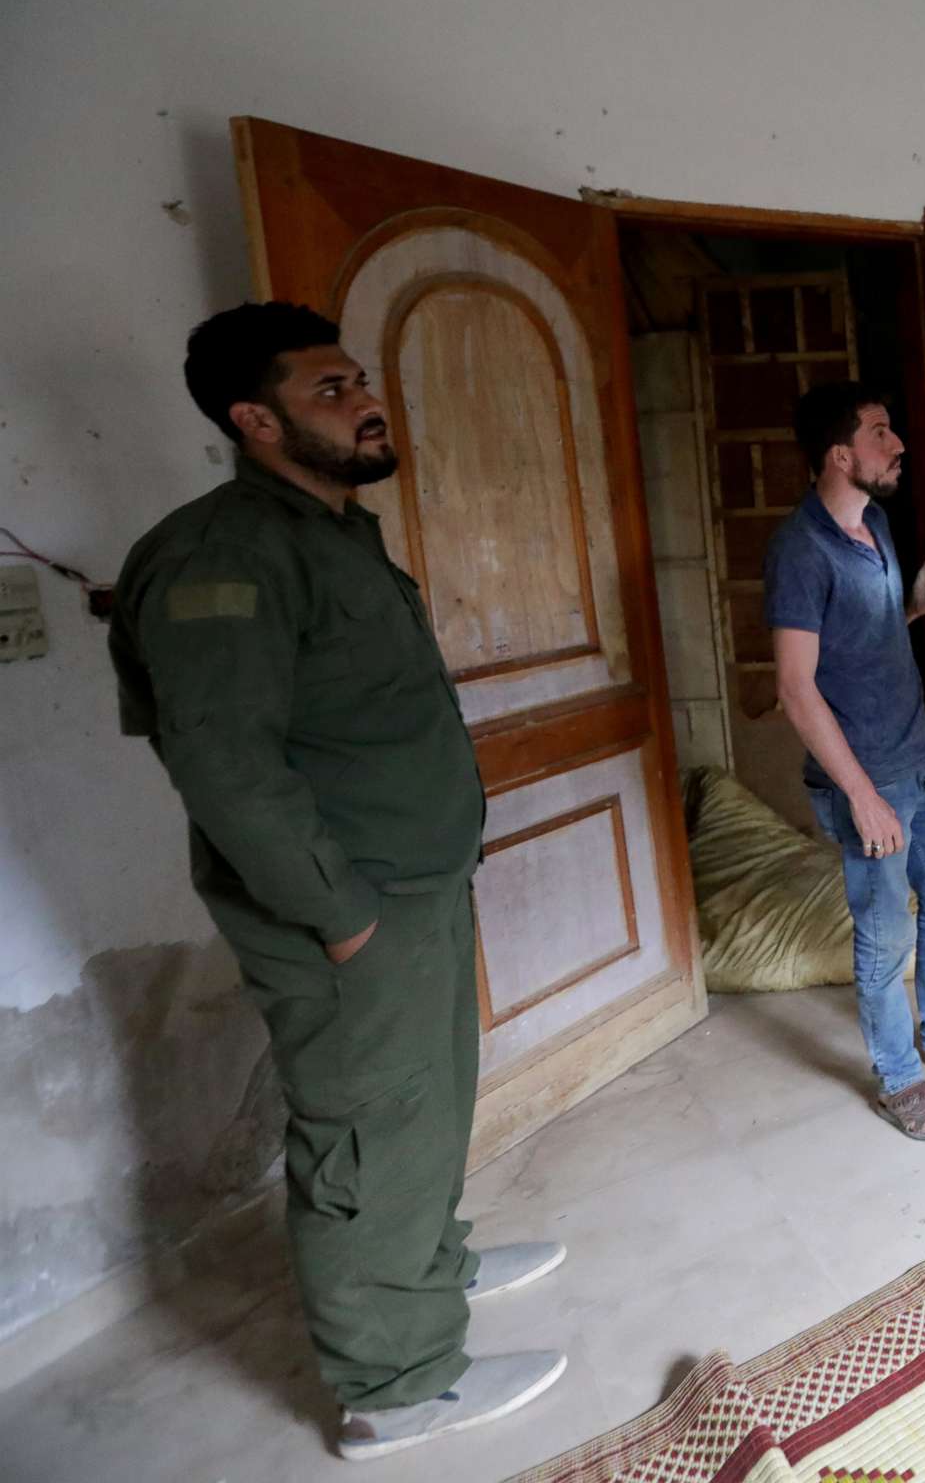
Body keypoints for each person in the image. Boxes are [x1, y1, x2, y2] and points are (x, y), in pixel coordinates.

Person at [110, 302, 566, 1461]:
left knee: (426, 1099)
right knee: (365, 1127)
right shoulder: (224, 555)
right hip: (344, 906)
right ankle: (395, 1382)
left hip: (409, 880)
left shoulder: (332, 531)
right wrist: (340, 915)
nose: (364, 401)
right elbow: (225, 764)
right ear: (252, 419)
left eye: (358, 379)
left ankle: (431, 1264)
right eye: (329, 390)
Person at [766, 381, 925, 1140]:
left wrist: (912, 604)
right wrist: (862, 797)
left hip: (917, 754)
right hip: (865, 777)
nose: (898, 445)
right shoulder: (798, 551)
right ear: (841, 453)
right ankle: (899, 1079)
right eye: (882, 434)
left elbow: (862, 636)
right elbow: (793, 686)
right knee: (885, 936)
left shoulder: (874, 522)